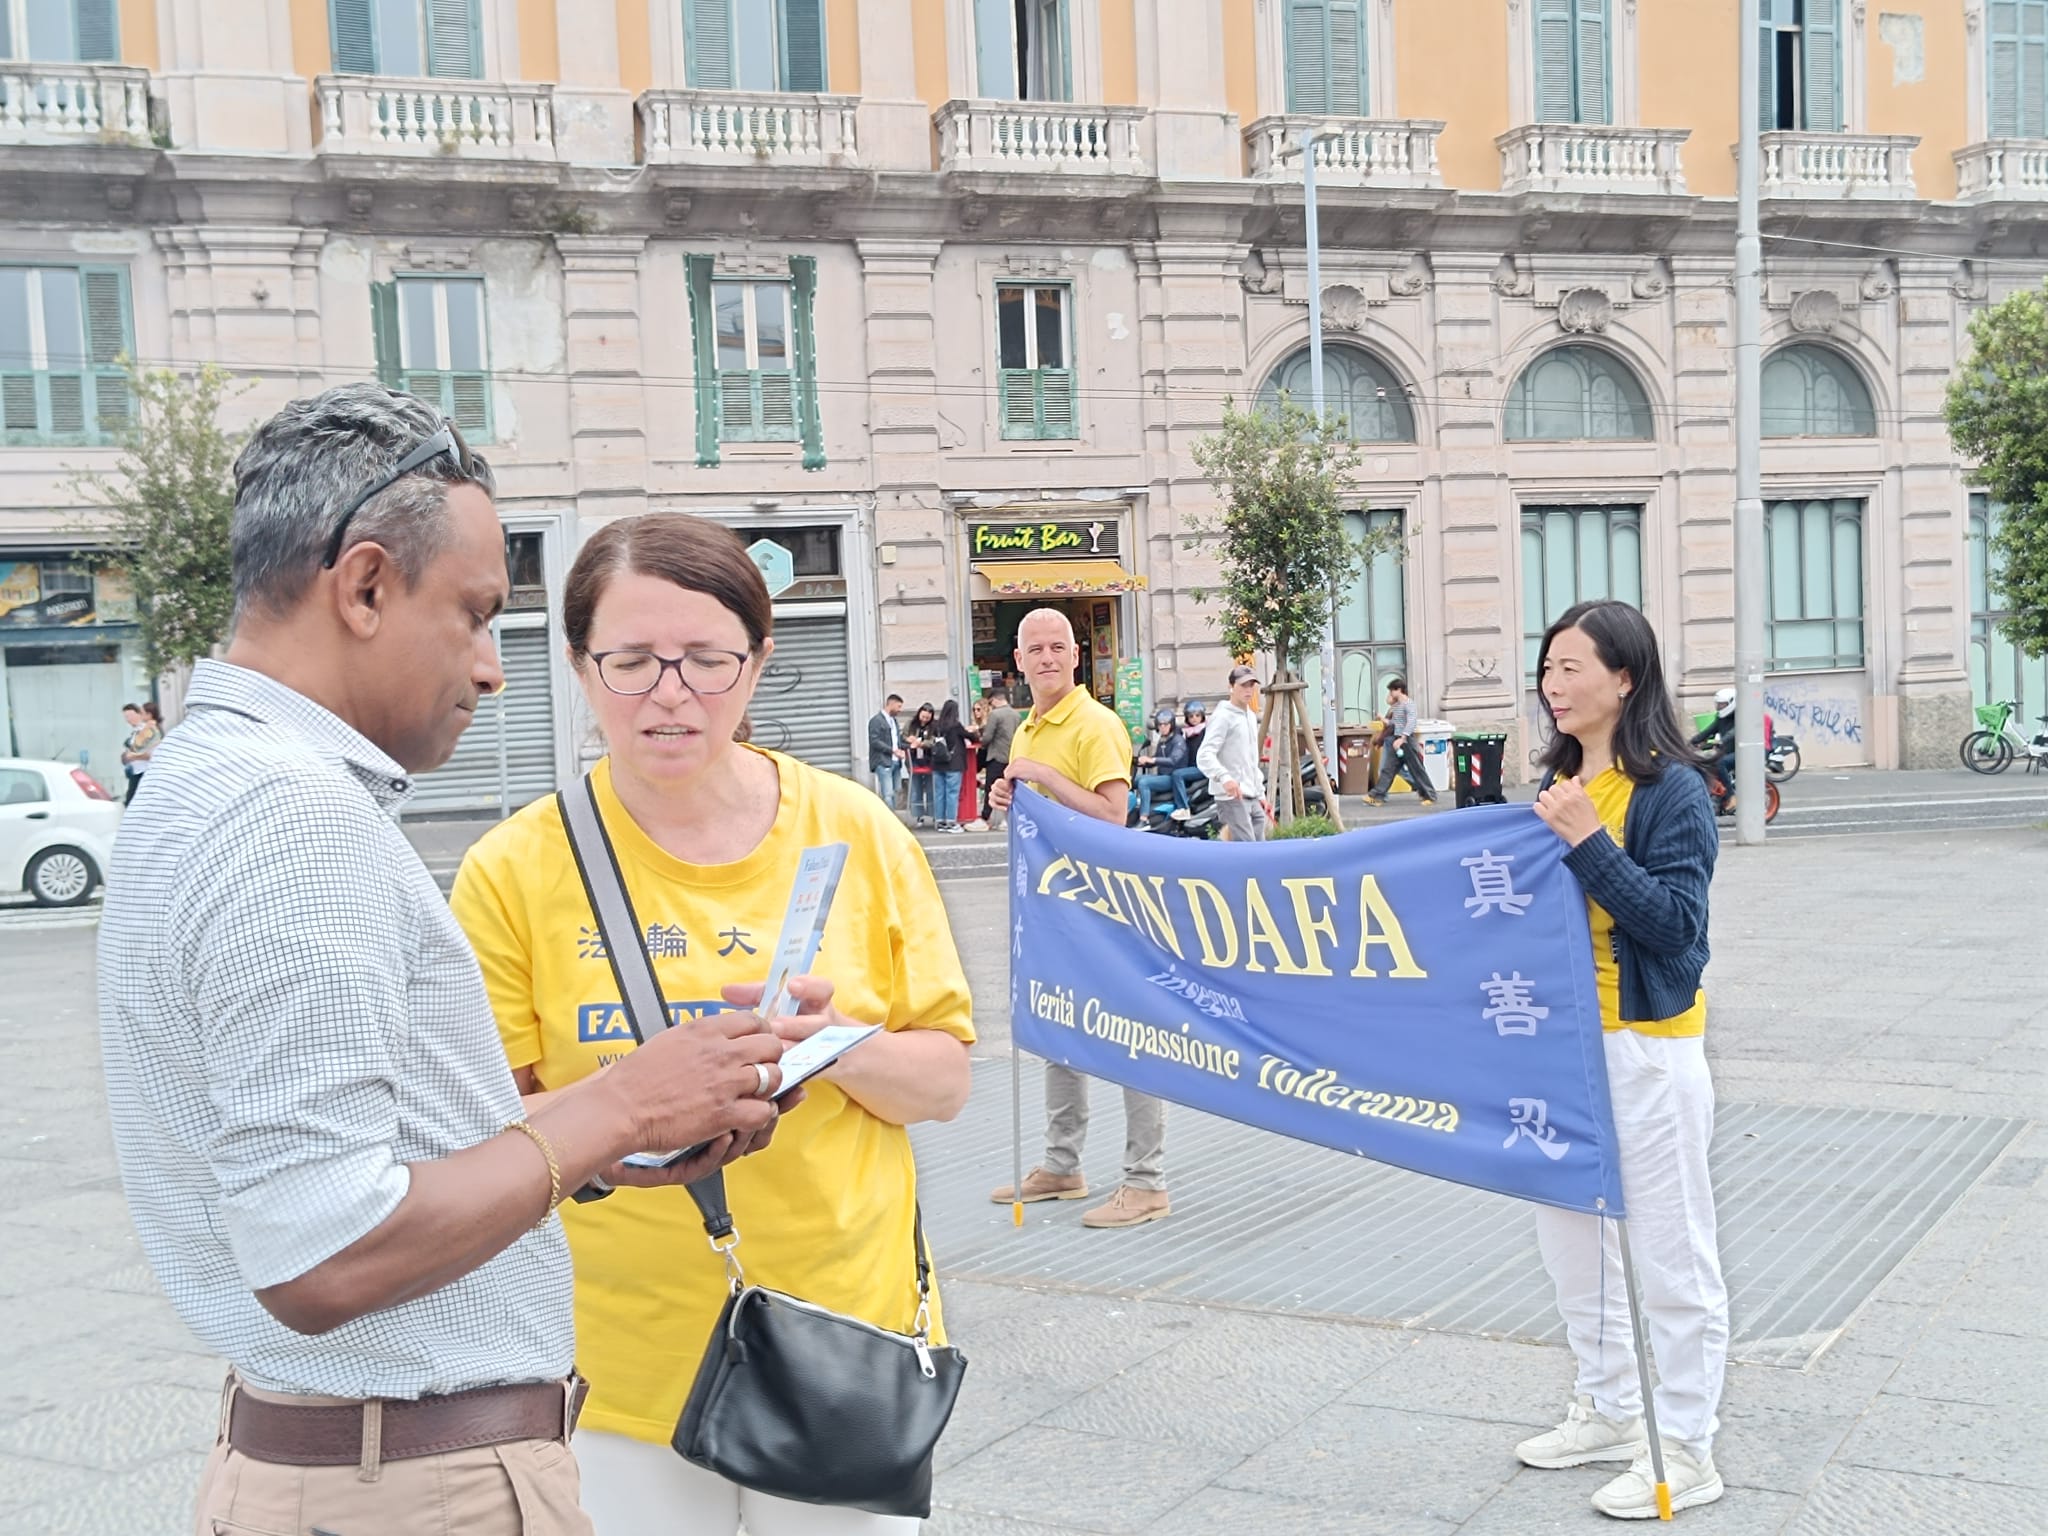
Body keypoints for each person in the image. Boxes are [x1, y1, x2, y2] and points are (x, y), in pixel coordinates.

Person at [96, 385, 792, 1536]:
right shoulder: (291, 818)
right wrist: (619, 1105)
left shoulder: (205, 775)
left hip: (354, 1469)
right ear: (365, 587)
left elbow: (373, 1155)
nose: (490, 667)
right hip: (413, 1490)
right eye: (473, 615)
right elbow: (324, 1252)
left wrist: (610, 1135)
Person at [451, 513, 974, 1536]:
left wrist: (836, 1045)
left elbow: (944, 1082)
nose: (670, 692)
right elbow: (485, 1131)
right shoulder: (512, 870)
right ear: (578, 664)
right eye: (631, 661)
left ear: (758, 660)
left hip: (839, 1342)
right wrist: (633, 1105)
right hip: (614, 1367)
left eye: (706, 658)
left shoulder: (856, 831)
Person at [1519, 598, 1728, 1520]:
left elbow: (1677, 930)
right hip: (1561, 1053)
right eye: (1547, 668)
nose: (1553, 685)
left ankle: (1685, 1446)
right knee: (1572, 1244)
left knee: (1671, 1255)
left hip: (1647, 1048)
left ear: (1625, 679)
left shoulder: (1672, 791)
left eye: (1571, 668)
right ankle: (1607, 1408)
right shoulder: (1556, 786)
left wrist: (1588, 842)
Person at [986, 609, 1167, 1229]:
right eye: (1035, 649)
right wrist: (1008, 796)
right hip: (1053, 908)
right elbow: (1040, 811)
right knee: (1058, 1031)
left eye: (1057, 647)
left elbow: (1113, 814)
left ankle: (1146, 1182)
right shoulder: (1028, 727)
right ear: (1018, 661)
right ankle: (1062, 1166)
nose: (1047, 658)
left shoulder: (1096, 724)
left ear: (1075, 655)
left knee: (1133, 1038)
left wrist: (1041, 775)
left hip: (1106, 907)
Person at [1197, 666, 1270, 842]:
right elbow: (1204, 754)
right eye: (1243, 685)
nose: (1248, 690)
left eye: (1251, 685)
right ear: (1231, 686)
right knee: (1246, 847)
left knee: (1260, 846)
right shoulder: (1223, 716)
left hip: (1252, 794)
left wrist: (1261, 794)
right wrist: (1224, 778)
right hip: (1231, 796)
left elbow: (1251, 760)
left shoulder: (1250, 716)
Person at [1363, 676, 1439, 807]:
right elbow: (1394, 723)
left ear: (1399, 690)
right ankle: (1377, 796)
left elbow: (1411, 723)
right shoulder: (1397, 706)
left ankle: (1430, 795)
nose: (1390, 694)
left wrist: (1402, 738)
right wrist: (1383, 719)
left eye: (1392, 690)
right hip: (1397, 740)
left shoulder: (1408, 704)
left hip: (1406, 741)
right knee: (1388, 769)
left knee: (1416, 769)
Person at [1133, 708, 1190, 817]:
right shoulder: (1163, 740)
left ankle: (1144, 818)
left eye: (1166, 724)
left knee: (1144, 782)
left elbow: (1173, 760)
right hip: (1162, 776)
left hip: (1171, 778)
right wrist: (1141, 761)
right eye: (1160, 725)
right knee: (1133, 780)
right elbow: (1156, 759)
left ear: (1171, 725)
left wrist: (1152, 760)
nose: (1162, 727)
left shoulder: (1178, 740)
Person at [977, 687, 1020, 830]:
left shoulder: (995, 715)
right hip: (1011, 757)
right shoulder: (1016, 715)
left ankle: (986, 817)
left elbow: (987, 737)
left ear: (995, 700)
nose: (991, 706)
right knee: (1010, 789)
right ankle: (1008, 819)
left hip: (996, 756)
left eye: (990, 703)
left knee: (991, 788)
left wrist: (980, 740)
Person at [1690, 687, 1737, 810]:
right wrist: (1691, 742)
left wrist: (1722, 740)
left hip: (1741, 753)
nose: (1719, 707)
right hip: (1726, 751)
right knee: (1704, 762)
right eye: (1718, 704)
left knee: (1720, 763)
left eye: (1722, 704)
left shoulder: (1740, 717)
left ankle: (1731, 796)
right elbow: (1708, 731)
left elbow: (1733, 733)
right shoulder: (1721, 718)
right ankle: (1715, 793)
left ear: (1732, 702)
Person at [933, 697, 972, 833]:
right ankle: (951, 822)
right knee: (952, 793)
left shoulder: (937, 725)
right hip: (953, 763)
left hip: (938, 763)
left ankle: (940, 822)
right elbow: (970, 736)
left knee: (939, 793)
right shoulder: (956, 725)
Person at [867, 692, 906, 813]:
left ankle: (893, 817)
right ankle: (890, 819)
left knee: (896, 791)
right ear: (891, 704)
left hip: (895, 761)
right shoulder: (876, 721)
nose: (900, 710)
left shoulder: (894, 721)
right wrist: (892, 750)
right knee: (888, 794)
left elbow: (897, 740)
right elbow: (874, 741)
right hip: (883, 761)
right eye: (899, 706)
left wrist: (907, 746)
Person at [118, 701, 161, 805]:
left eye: (130, 715)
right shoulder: (135, 732)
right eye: (126, 717)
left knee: (132, 802)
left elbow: (153, 755)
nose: (128, 719)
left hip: (145, 772)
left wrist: (133, 756)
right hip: (137, 772)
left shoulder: (147, 731)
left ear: (139, 714)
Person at [904, 701, 937, 828]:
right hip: (914, 758)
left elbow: (935, 741)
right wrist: (909, 740)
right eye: (923, 717)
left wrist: (923, 744)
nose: (924, 720)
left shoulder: (934, 726)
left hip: (929, 758)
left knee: (931, 787)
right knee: (916, 787)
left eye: (927, 718)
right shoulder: (910, 724)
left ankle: (933, 813)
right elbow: (903, 737)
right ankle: (919, 815)